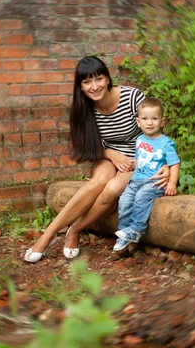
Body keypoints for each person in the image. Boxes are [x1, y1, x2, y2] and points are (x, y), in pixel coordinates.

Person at [24, 56, 170, 263]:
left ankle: (74, 230)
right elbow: (87, 148)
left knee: (111, 189)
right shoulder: (84, 108)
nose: (94, 86)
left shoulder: (132, 97)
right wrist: (111, 154)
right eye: (87, 82)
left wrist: (161, 163)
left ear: (108, 79)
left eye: (98, 79)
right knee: (99, 181)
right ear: (81, 87)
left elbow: (156, 135)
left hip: (140, 161)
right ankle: (47, 235)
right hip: (106, 157)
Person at [112, 98, 181, 252]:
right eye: (145, 119)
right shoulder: (139, 139)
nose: (149, 123)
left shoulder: (166, 143)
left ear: (162, 122)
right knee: (124, 201)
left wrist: (172, 183)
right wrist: (133, 164)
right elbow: (141, 159)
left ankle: (136, 230)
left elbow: (174, 163)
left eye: (154, 119)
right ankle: (124, 234)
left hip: (154, 183)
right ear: (138, 122)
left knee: (141, 197)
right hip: (136, 179)